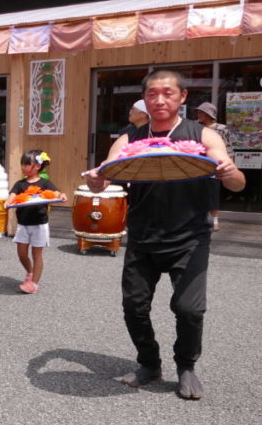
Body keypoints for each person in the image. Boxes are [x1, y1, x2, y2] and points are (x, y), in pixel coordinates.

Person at [85, 69, 245, 400]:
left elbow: (236, 182)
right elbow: (103, 174)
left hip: (190, 237)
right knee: (133, 305)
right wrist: (96, 181)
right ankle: (149, 363)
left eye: (168, 93)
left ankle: (186, 366)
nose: (159, 100)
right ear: (145, 98)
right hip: (143, 237)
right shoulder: (130, 139)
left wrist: (229, 172)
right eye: (153, 94)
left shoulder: (201, 135)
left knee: (188, 309)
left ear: (182, 97)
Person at [10, 150, 64, 294]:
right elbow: (12, 196)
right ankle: (30, 272)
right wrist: (7, 202)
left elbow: (56, 193)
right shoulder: (20, 184)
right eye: (22, 164)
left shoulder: (45, 183)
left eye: (27, 164)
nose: (23, 167)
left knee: (36, 254)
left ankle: (33, 283)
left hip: (39, 224)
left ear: (38, 166)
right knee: (21, 253)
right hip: (23, 224)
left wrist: (61, 195)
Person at [195, 101, 231, 231]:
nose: (198, 114)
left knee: (213, 193)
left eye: (201, 112)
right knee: (197, 192)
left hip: (214, 165)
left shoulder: (221, 129)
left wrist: (228, 166)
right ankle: (198, 219)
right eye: (198, 112)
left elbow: (228, 148)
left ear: (208, 114)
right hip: (197, 165)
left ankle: (214, 220)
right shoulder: (196, 127)